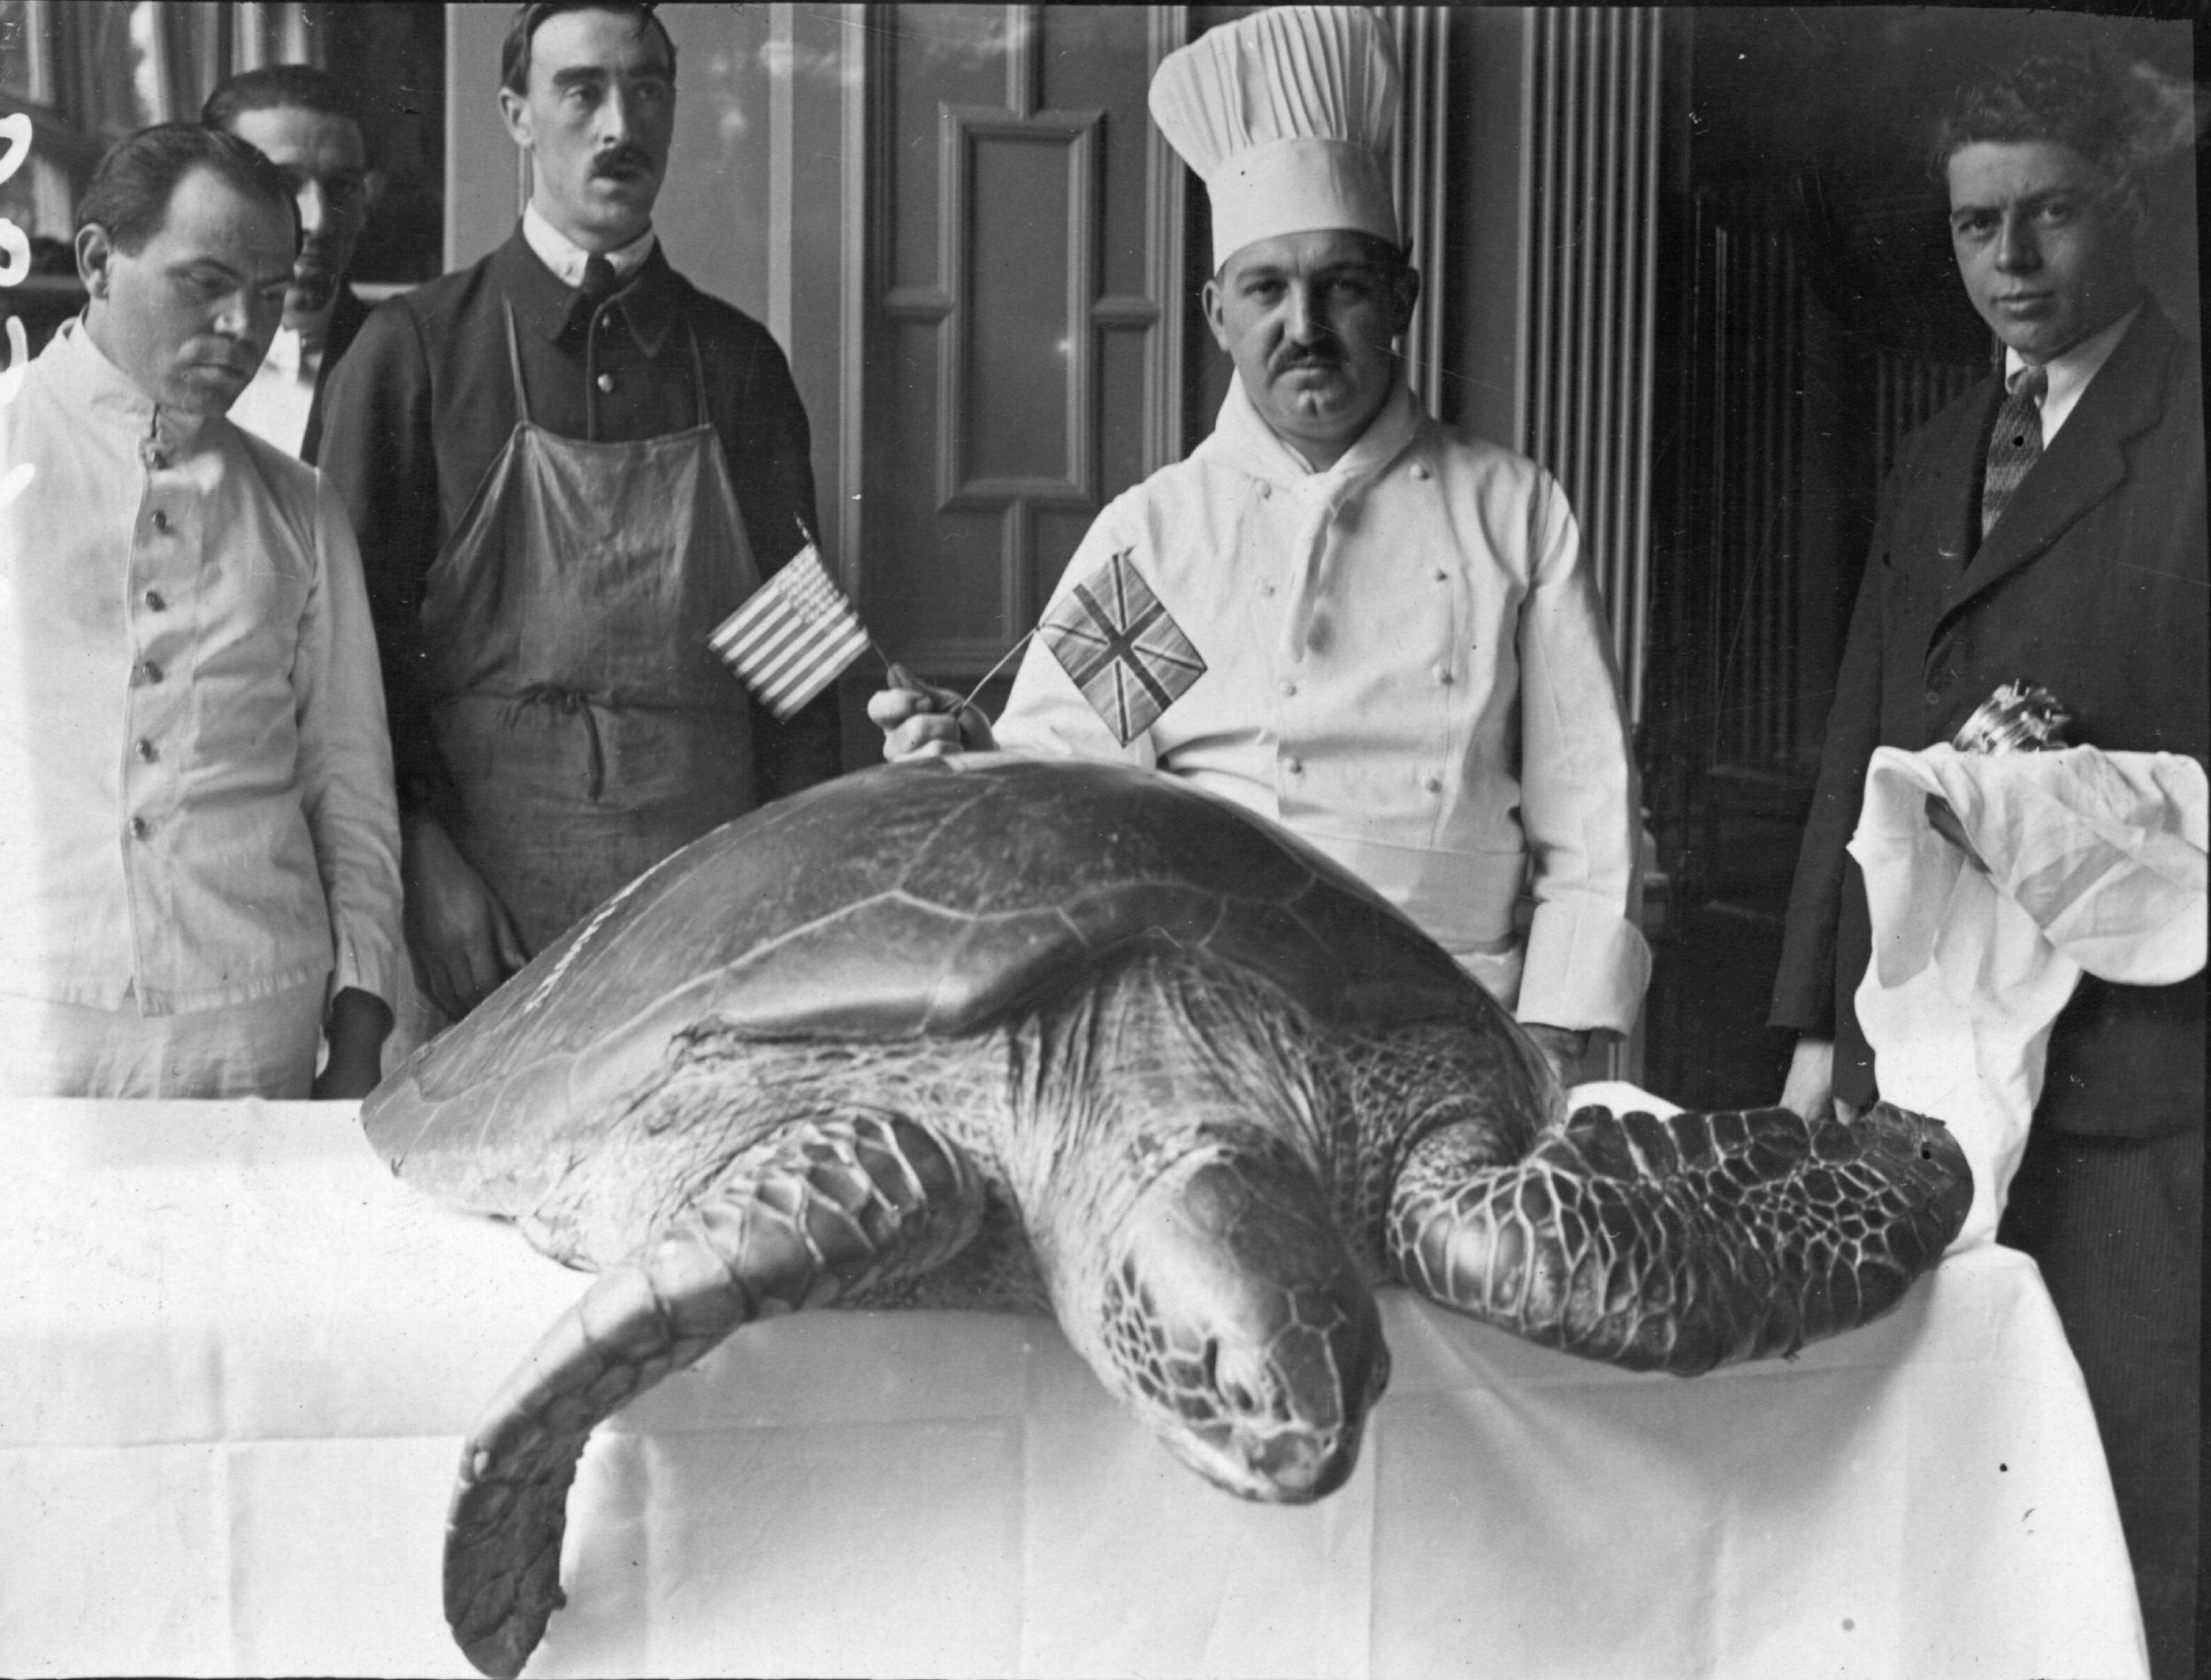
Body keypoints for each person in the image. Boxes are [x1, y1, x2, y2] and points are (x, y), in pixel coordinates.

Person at [870, 6, 1649, 1085]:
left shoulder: (1513, 514)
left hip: (1468, 1023)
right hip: (1212, 1034)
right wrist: (976, 753)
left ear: (1401, 298)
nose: (1304, 325)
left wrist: (1558, 1038)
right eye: (1266, 290)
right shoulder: (1161, 534)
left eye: (1341, 284)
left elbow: (1591, 820)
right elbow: (1072, 780)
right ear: (1215, 312)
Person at [1768, 54, 2204, 1676]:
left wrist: (2073, 787)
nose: (2010, 262)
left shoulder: (2189, 431)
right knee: (1940, 1477)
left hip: (2137, 1072)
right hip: (1932, 1053)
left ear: (2128, 210)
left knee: (2136, 1489)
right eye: (1974, 228)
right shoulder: (1940, 446)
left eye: (2050, 217)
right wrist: (1821, 1038)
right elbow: (1859, 741)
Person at [317, 1, 838, 1024]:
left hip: (700, 920)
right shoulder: (414, 350)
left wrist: (786, 903)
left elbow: (800, 670)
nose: (619, 124)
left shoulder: (737, 364)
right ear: (516, 113)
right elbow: (344, 658)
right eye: (581, 90)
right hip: (477, 924)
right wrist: (423, 861)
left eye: (647, 90)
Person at [0, 124, 402, 1099]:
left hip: (252, 1026)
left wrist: (361, 1020)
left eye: (268, 295)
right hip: (28, 1024)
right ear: (97, 260)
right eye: (204, 283)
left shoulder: (296, 503)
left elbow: (348, 787)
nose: (242, 326)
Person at [201, 64, 377, 461]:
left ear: (364, 204)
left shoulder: (400, 367)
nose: (319, 221)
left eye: (342, 188)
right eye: (283, 185)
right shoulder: (151, 353)